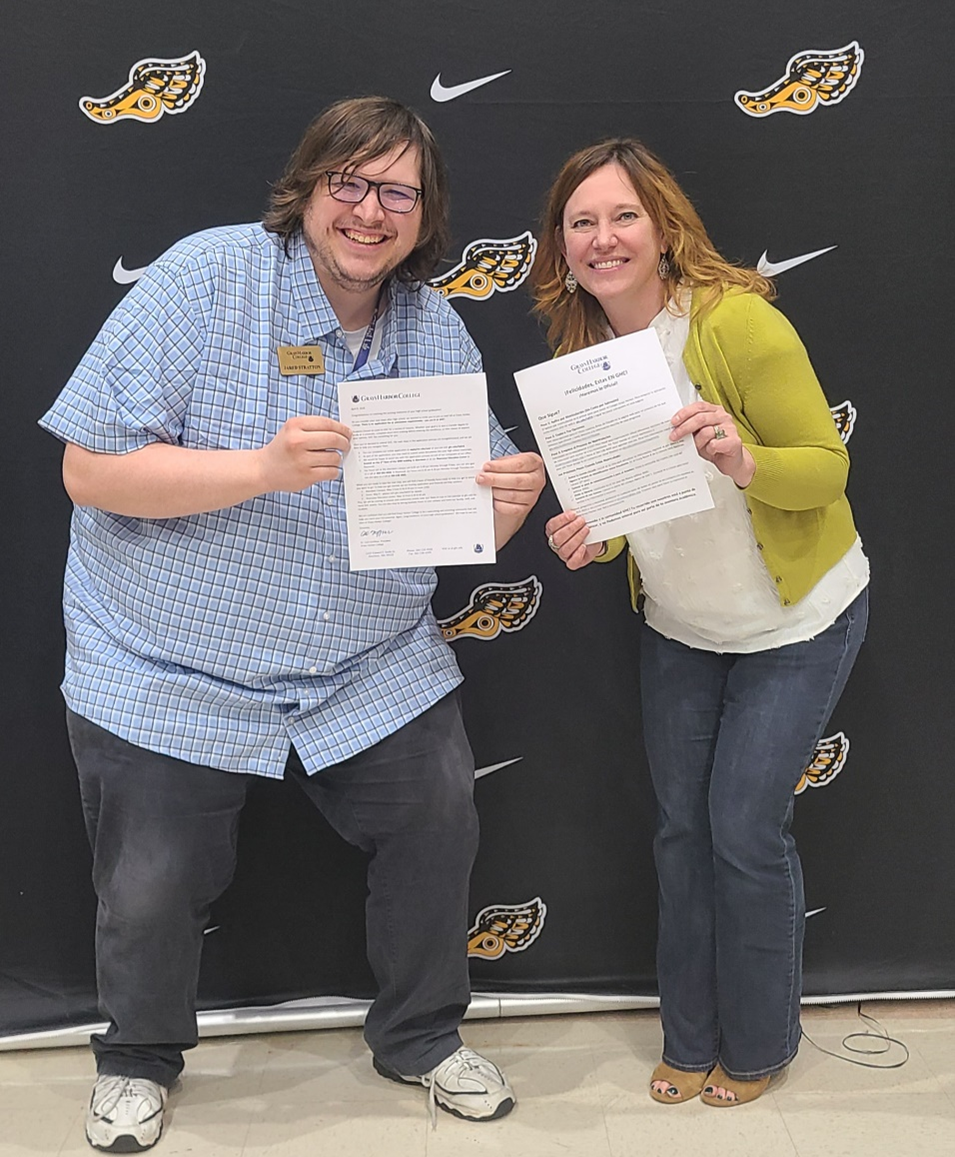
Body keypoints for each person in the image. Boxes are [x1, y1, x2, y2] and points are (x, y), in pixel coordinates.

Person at [39, 96, 545, 1151]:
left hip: (366, 662)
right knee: (149, 881)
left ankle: (419, 1035)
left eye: (396, 191)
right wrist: (261, 469)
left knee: (437, 818)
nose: (369, 210)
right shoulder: (204, 278)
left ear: (425, 213)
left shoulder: (431, 325)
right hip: (170, 660)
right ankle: (136, 1055)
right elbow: (88, 469)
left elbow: (468, 511)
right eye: (348, 183)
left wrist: (506, 499)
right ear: (307, 190)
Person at [535, 139, 868, 1107]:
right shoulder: (582, 358)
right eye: (581, 222)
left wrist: (744, 455)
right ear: (559, 245)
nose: (603, 238)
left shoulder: (736, 327)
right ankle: (688, 1033)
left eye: (622, 216)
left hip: (796, 620)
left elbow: (827, 468)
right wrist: (586, 539)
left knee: (740, 827)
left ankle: (758, 1041)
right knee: (681, 830)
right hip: (683, 625)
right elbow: (621, 516)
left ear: (664, 226)